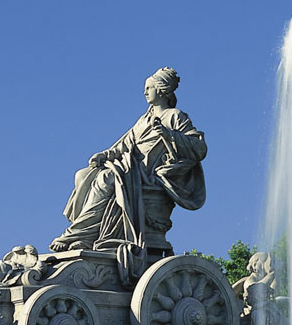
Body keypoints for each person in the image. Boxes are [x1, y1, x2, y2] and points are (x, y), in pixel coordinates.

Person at [50, 67, 208, 259]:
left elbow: (199, 148)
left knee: (107, 178)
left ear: (161, 90)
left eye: (148, 88)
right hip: (131, 168)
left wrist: (169, 134)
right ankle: (88, 236)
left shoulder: (175, 116)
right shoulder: (143, 119)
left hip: (148, 174)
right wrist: (105, 155)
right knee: (83, 175)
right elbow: (124, 145)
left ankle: (77, 234)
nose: (145, 92)